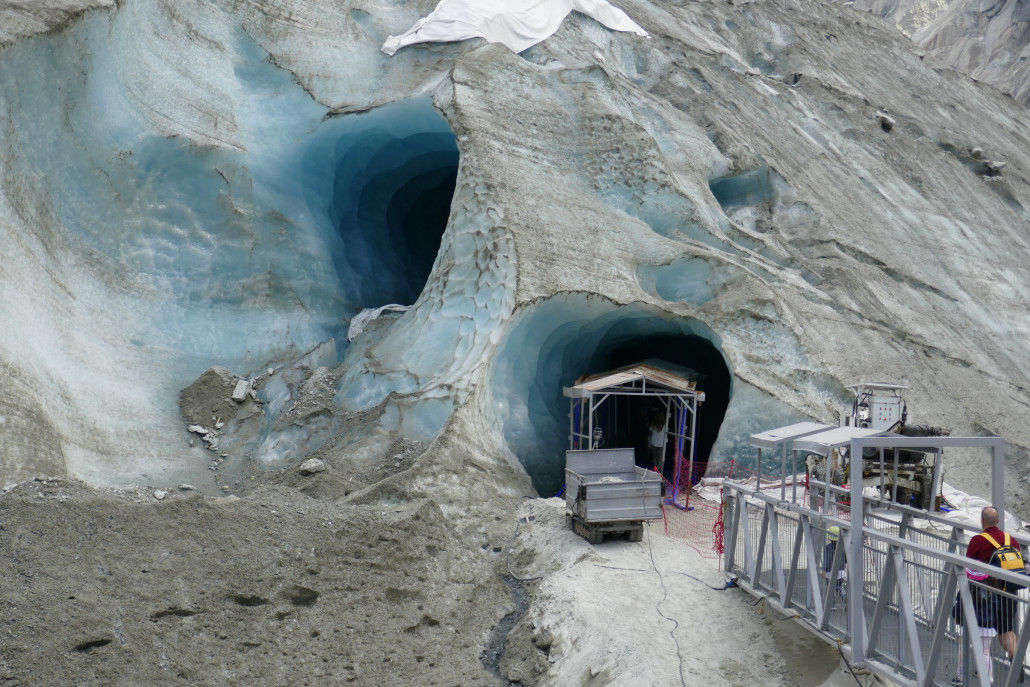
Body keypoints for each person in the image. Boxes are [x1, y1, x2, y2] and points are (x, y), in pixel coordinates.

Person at [966, 506, 1027, 679]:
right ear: (998, 521)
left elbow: (969, 566)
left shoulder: (978, 540)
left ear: (982, 521)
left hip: (986, 594)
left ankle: (984, 670)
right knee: (1006, 629)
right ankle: (1016, 659)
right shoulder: (1011, 539)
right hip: (1009, 591)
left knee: (984, 634)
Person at [952, 567, 999, 684]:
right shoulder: (991, 590)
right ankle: (989, 680)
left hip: (968, 625)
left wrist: (956, 615)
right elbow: (996, 607)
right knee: (985, 652)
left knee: (963, 650)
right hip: (987, 627)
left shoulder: (966, 588)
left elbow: (959, 606)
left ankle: (960, 677)